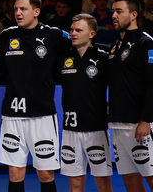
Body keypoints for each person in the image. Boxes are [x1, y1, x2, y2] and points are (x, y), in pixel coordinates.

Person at [0, 0, 71, 192]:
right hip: (12, 116)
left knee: (45, 173)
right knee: (15, 173)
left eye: (23, 9)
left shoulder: (54, 35)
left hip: (42, 115)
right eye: (16, 9)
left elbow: (82, 46)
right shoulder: (6, 36)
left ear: (36, 11)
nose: (18, 13)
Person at [108, 0, 153, 192]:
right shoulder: (115, 46)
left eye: (119, 11)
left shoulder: (147, 43)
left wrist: (145, 120)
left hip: (142, 125)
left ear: (134, 14)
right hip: (119, 124)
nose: (114, 15)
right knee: (130, 181)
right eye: (113, 11)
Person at [56, 14, 112, 192]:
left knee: (103, 184)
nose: (73, 33)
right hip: (70, 130)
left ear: (92, 34)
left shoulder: (104, 57)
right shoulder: (63, 57)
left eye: (79, 30)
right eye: (72, 29)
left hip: (96, 129)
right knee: (75, 184)